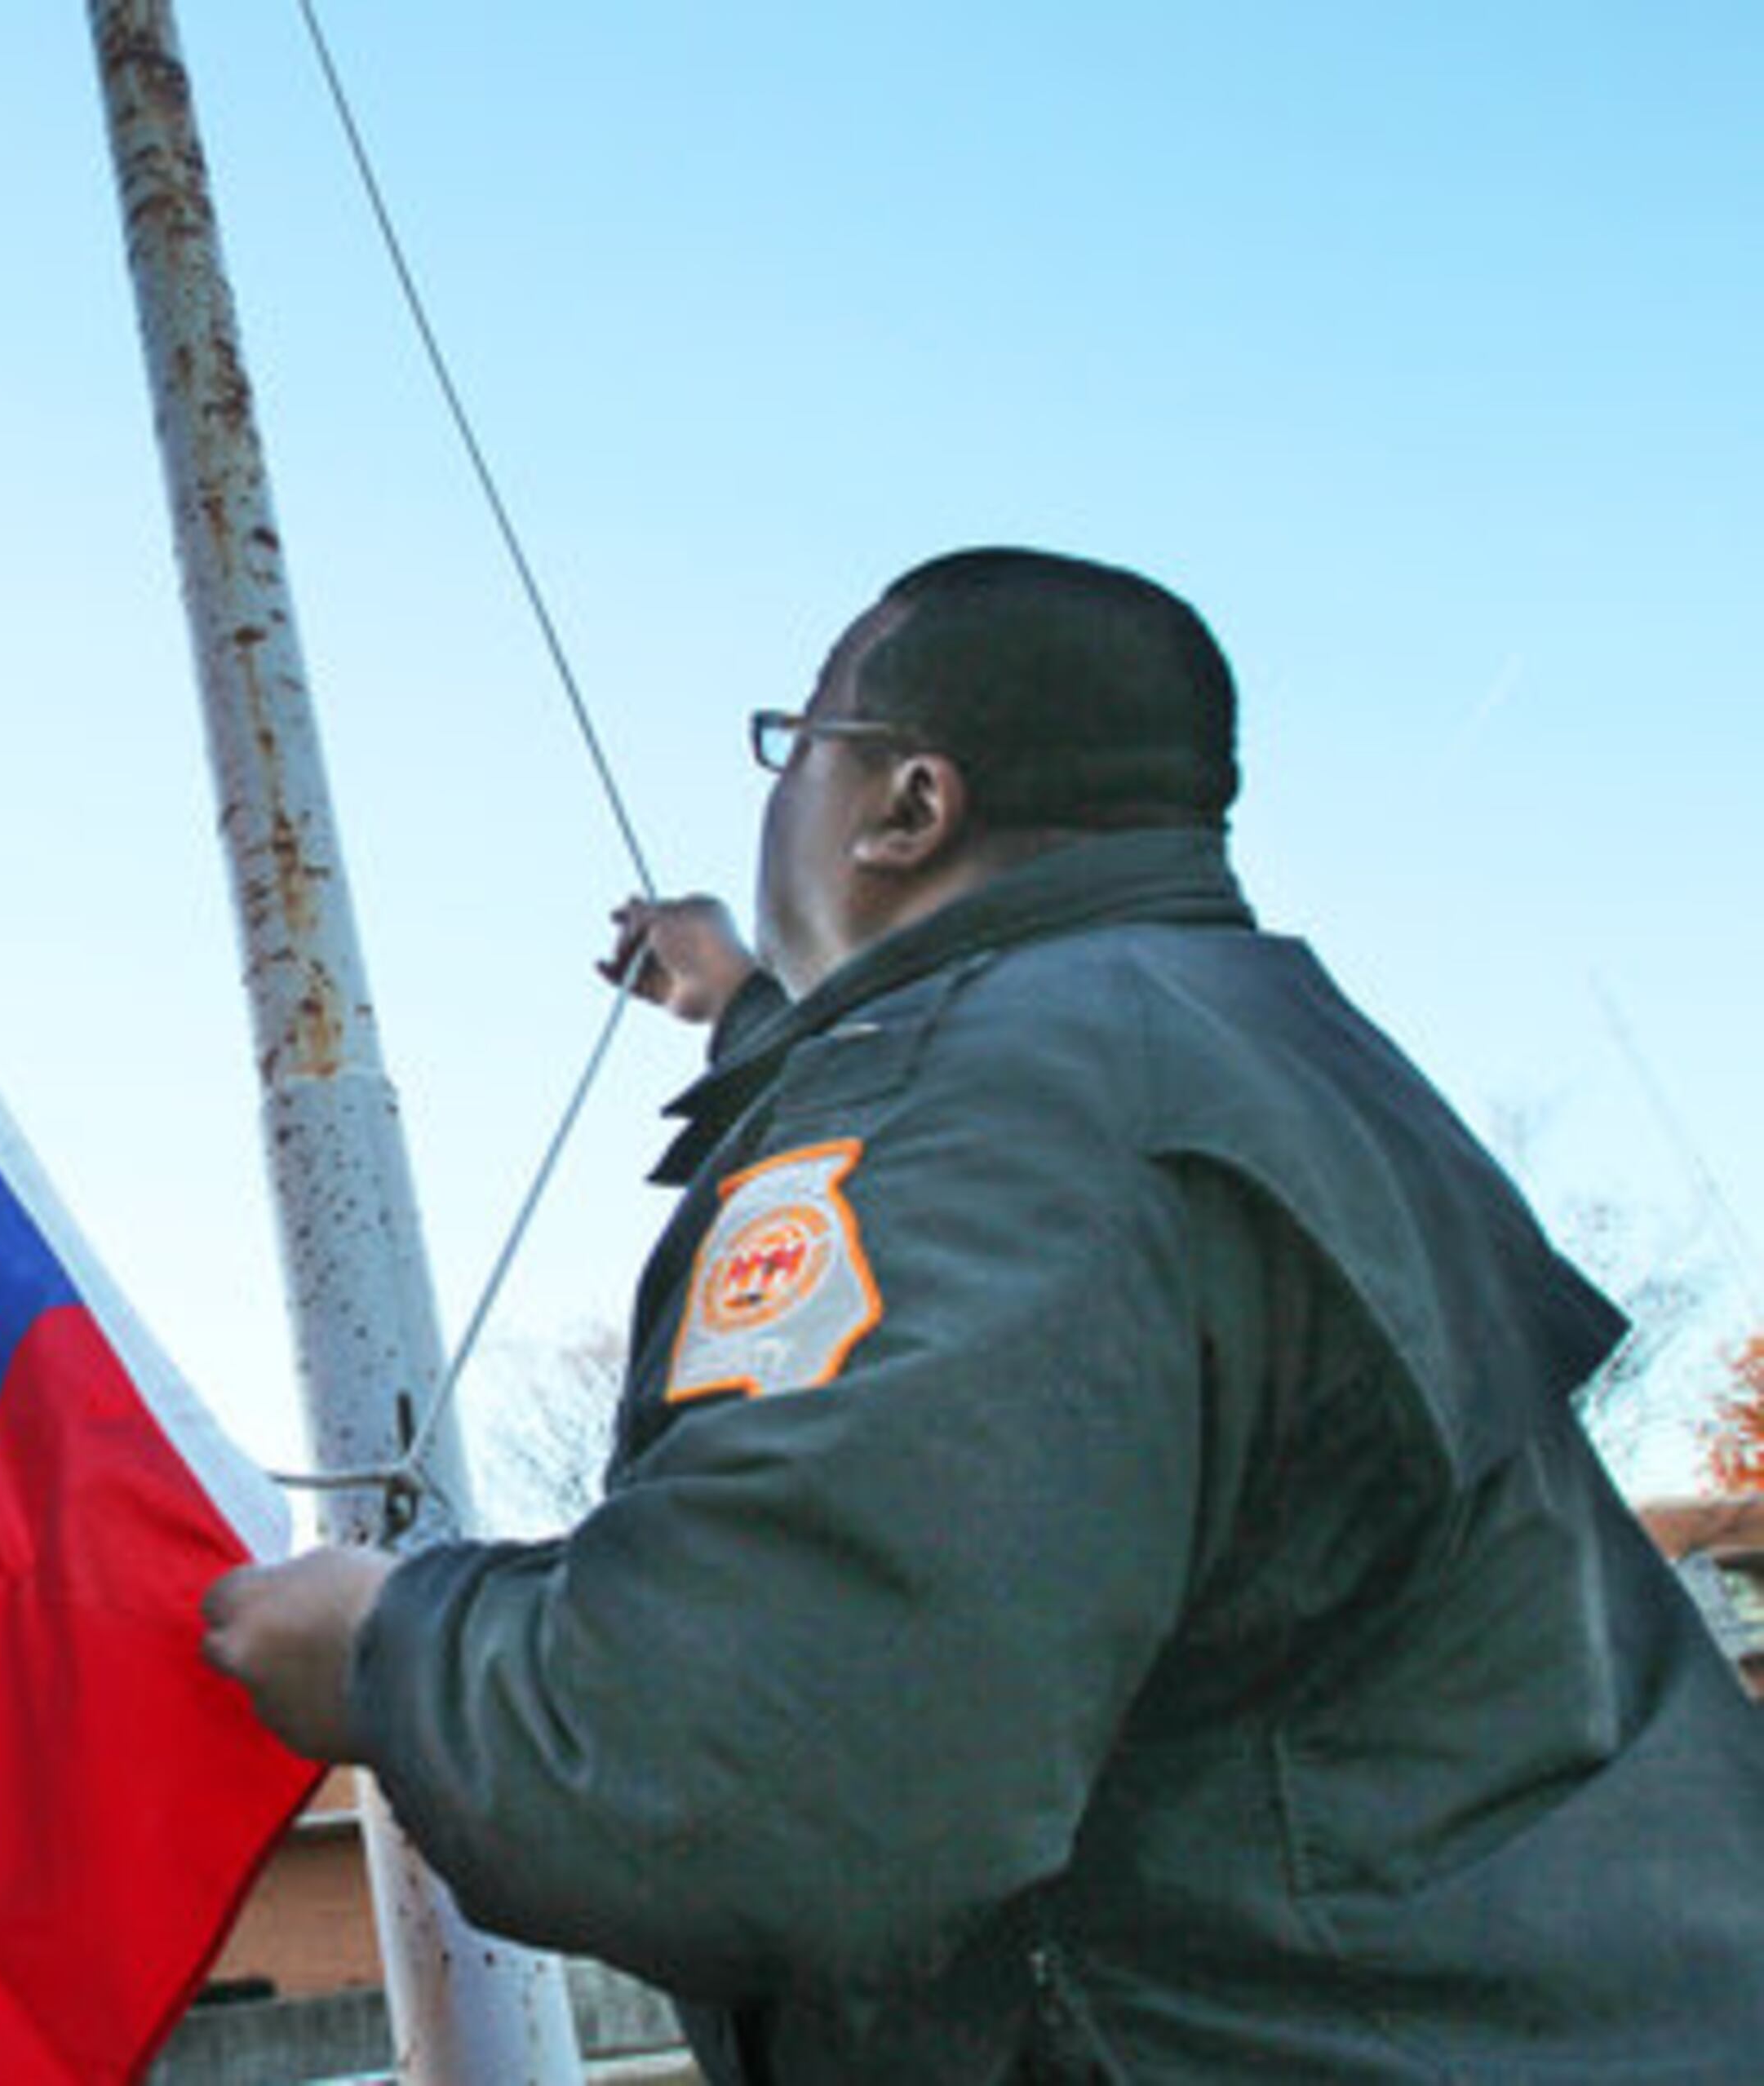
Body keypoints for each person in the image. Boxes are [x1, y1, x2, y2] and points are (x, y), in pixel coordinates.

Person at [200, 548, 1764, 2082]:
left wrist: (389, 1643)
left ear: (907, 805)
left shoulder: (988, 1096)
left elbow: (766, 1761)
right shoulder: (1231, 1043)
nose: (774, 793)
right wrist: (752, 1003)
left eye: (795, 741)